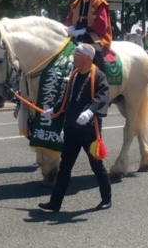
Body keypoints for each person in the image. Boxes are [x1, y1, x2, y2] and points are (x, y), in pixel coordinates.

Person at [38, 43, 111, 212]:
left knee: (96, 166)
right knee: (65, 168)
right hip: (71, 129)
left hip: (89, 131)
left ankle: (107, 197)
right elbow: (66, 98)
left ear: (86, 58)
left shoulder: (98, 76)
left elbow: (101, 98)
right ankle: (55, 203)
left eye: (76, 53)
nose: (74, 56)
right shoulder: (74, 75)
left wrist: (89, 113)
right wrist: (53, 111)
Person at [65, 0, 113, 73]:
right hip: (76, 37)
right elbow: (69, 19)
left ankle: (100, 78)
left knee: (95, 51)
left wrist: (83, 31)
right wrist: (71, 27)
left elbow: (102, 24)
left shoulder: (99, 2)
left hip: (94, 37)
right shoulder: (76, 3)